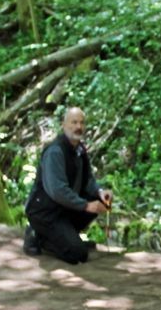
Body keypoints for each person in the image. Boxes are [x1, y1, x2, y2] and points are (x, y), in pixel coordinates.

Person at [24, 107, 113, 264]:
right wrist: (86, 206)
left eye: (81, 123)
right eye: (74, 122)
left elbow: (88, 181)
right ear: (64, 125)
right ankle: (39, 235)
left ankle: (63, 237)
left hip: (64, 209)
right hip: (46, 212)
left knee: (97, 199)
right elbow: (58, 191)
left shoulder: (79, 150)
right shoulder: (55, 152)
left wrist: (100, 192)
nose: (78, 127)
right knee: (77, 254)